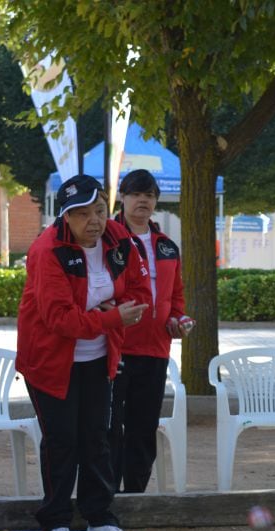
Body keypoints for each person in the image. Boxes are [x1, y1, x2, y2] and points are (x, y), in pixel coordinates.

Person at [15, 174, 150, 531]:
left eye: (100, 210)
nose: (94, 220)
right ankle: (55, 521)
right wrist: (111, 317)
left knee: (97, 438)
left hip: (98, 357)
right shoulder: (46, 250)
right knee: (62, 439)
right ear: (65, 217)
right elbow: (60, 320)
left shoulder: (120, 240)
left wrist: (115, 312)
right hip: (50, 360)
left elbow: (140, 291)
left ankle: (100, 518)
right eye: (83, 213)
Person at [108, 169, 193, 493]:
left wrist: (177, 320)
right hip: (115, 348)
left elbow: (177, 296)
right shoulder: (108, 238)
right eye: (136, 194)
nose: (143, 200)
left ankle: (137, 498)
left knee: (144, 430)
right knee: (110, 428)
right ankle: (108, 499)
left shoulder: (168, 246)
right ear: (124, 198)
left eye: (150, 195)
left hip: (156, 350)